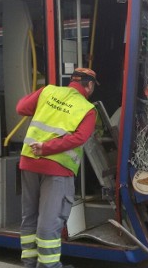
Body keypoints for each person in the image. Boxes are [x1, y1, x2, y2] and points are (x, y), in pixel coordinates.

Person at [17, 68, 99, 268]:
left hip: (28, 162)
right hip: (57, 170)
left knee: (29, 217)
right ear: (89, 85)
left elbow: (21, 108)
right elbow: (80, 138)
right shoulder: (87, 109)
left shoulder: (48, 91)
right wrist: (47, 148)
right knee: (50, 222)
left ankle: (29, 263)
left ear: (72, 81)